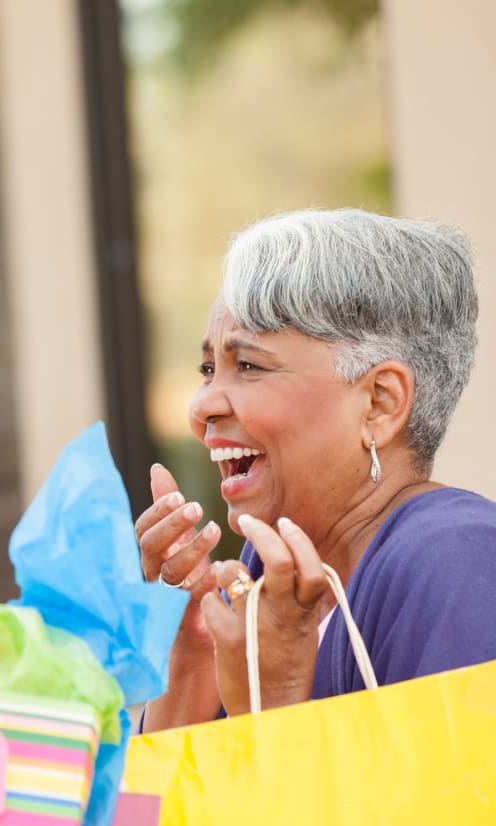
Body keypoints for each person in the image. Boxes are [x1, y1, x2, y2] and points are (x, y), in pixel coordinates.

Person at [136, 208, 496, 728]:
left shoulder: (457, 564)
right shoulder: (254, 582)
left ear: (379, 403)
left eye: (250, 366)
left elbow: (454, 809)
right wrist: (187, 663)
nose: (202, 406)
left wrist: (277, 700)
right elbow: (168, 811)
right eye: (209, 369)